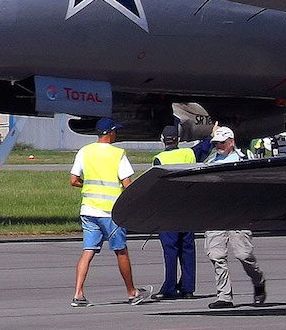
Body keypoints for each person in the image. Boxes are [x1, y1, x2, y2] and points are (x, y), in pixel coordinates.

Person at [69, 117, 153, 307]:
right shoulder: (118, 154)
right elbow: (127, 184)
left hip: (88, 210)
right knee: (121, 251)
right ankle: (132, 292)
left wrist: (90, 186)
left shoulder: (84, 151)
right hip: (111, 212)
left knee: (88, 251)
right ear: (110, 133)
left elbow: (74, 180)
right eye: (116, 131)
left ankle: (78, 294)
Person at [204, 126, 267, 309]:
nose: (218, 146)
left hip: (239, 213)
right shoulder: (211, 161)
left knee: (243, 254)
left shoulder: (244, 159)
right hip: (215, 214)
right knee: (216, 255)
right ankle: (224, 296)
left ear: (231, 142)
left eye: (222, 143)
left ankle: (258, 282)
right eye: (216, 143)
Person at [150, 124, 213, 300]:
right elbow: (204, 148)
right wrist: (211, 136)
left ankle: (169, 287)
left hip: (168, 210)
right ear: (178, 139)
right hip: (187, 207)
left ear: (162, 140)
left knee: (170, 250)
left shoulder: (159, 159)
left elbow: (156, 187)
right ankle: (188, 288)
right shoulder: (188, 153)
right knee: (187, 248)